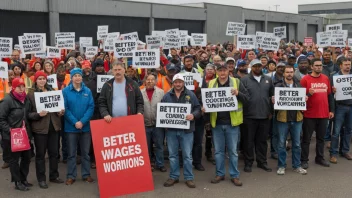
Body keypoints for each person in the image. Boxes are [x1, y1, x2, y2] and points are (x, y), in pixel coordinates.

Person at [207, 63, 248, 186]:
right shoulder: (211, 83)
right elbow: (206, 100)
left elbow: (247, 99)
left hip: (232, 124)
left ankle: (234, 175)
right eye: (220, 71)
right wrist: (205, 108)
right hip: (217, 124)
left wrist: (238, 93)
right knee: (218, 152)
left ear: (229, 71)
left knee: (233, 152)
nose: (222, 73)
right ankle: (220, 174)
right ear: (216, 72)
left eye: (224, 70)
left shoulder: (237, 82)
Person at [162, 73, 201, 189]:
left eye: (180, 82)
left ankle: (189, 178)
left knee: (187, 156)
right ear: (173, 83)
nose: (178, 84)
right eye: (176, 82)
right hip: (172, 131)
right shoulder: (167, 95)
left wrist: (193, 115)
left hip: (187, 130)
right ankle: (174, 176)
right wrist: (164, 122)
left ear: (183, 83)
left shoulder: (191, 95)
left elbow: (198, 108)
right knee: (173, 155)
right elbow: (162, 111)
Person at [27, 71, 65, 189]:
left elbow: (59, 108)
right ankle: (41, 179)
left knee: (54, 153)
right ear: (36, 81)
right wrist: (38, 115)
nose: (42, 81)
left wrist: (61, 112)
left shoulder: (53, 91)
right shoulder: (31, 94)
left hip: (54, 127)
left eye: (44, 78)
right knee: (40, 155)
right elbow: (28, 114)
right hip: (40, 129)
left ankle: (54, 176)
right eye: (40, 79)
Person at [300, 58, 334, 169]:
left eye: (320, 65)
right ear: (311, 67)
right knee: (306, 139)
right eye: (316, 65)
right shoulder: (305, 79)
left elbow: (329, 96)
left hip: (323, 114)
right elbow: (300, 97)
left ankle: (320, 158)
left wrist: (331, 110)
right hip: (309, 114)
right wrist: (308, 94)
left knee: (321, 139)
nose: (319, 67)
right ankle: (304, 160)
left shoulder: (326, 78)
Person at [62, 68, 95, 185]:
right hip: (71, 128)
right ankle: (71, 175)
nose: (77, 78)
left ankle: (86, 174)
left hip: (85, 128)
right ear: (71, 78)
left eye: (79, 76)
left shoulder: (87, 91)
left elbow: (91, 107)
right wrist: (75, 122)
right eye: (75, 76)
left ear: (82, 77)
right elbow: (65, 109)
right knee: (71, 153)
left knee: (85, 153)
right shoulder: (65, 91)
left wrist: (83, 121)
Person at [273, 65, 308, 175]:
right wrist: (273, 99)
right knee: (281, 144)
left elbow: (302, 101)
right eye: (287, 72)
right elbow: (273, 101)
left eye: (291, 72)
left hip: (297, 119)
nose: (289, 74)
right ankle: (281, 166)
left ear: (294, 73)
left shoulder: (299, 85)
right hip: (283, 119)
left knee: (297, 144)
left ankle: (297, 166)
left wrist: (305, 98)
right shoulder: (278, 86)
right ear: (283, 73)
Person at [241, 59, 274, 173]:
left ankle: (262, 162)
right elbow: (241, 97)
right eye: (255, 66)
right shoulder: (244, 79)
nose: (257, 68)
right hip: (249, 116)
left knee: (262, 141)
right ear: (251, 67)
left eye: (259, 66)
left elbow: (272, 96)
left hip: (264, 115)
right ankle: (248, 162)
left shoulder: (268, 79)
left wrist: (271, 111)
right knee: (248, 141)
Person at [0, 78, 32, 191]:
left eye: (23, 86)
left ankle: (23, 179)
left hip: (24, 134)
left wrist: (38, 115)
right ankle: (17, 182)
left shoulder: (26, 99)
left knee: (27, 158)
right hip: (12, 136)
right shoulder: (7, 101)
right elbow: (1, 119)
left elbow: (28, 115)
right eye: (19, 86)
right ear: (13, 87)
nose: (21, 89)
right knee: (14, 160)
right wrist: (10, 130)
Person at [141, 74, 166, 172]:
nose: (150, 81)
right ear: (145, 81)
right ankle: (148, 164)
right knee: (146, 146)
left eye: (152, 79)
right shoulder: (140, 92)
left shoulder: (161, 92)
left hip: (157, 125)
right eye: (148, 79)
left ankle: (160, 164)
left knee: (159, 145)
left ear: (155, 81)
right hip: (144, 124)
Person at [329, 57, 352, 163]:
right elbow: (329, 94)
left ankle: (345, 151)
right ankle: (333, 153)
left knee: (348, 130)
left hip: (350, 106)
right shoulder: (334, 77)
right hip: (340, 106)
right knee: (336, 131)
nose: (348, 66)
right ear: (341, 65)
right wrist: (333, 90)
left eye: (349, 64)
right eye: (346, 64)